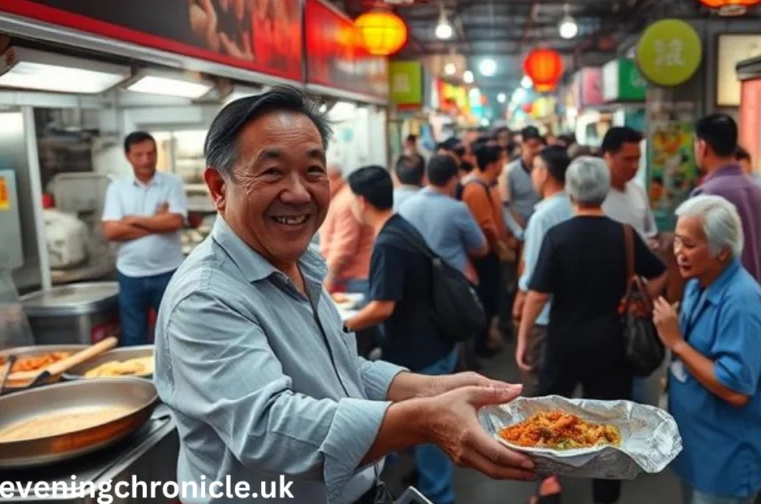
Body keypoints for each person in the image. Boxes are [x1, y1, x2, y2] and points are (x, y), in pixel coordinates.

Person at [154, 87, 534, 504]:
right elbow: (268, 428)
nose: (299, 193)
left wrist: (432, 388)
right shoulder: (205, 297)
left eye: (313, 171)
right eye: (272, 172)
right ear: (218, 187)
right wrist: (424, 420)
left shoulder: (297, 264)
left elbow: (338, 368)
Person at [517, 156, 667, 504]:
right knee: (607, 424)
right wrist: (642, 301)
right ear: (603, 191)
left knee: (550, 414)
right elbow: (659, 273)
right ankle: (604, 497)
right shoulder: (625, 235)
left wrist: (524, 337)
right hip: (611, 346)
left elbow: (538, 295)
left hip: (563, 343)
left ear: (570, 191)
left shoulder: (557, 236)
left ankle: (549, 483)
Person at [652, 195, 761, 504]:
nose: (679, 252)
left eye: (690, 245)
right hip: (701, 444)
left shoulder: (741, 303)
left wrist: (677, 343)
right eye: (678, 242)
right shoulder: (698, 282)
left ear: (722, 252)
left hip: (728, 454)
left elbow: (736, 390)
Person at [341, 166, 458, 504]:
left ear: (361, 201)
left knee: (431, 430)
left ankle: (439, 497)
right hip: (431, 341)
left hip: (419, 350)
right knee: (424, 429)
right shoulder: (401, 227)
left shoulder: (389, 242)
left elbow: (382, 307)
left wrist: (341, 325)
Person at [101, 131, 187, 347]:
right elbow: (111, 232)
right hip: (131, 274)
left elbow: (175, 222)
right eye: (139, 155)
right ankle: (137, 380)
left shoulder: (172, 183)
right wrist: (157, 222)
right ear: (128, 156)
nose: (146, 160)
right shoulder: (117, 189)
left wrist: (132, 220)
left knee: (176, 335)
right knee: (133, 337)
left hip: (168, 272)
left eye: (151, 153)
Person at [512, 145, 573, 392]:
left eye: (535, 169)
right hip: (569, 312)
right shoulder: (573, 206)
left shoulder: (542, 217)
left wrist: (522, 328)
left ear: (545, 174)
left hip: (544, 314)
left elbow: (534, 277)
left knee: (541, 388)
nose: (532, 175)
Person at [690, 114, 761, 288]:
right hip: (755, 292)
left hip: (718, 298)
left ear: (703, 147)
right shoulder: (759, 193)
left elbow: (695, 257)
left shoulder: (706, 195)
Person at [399, 155, 488, 283]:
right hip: (453, 281)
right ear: (453, 179)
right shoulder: (457, 209)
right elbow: (480, 248)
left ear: (426, 177)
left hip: (417, 279)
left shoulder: (406, 206)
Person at [463, 142, 511, 358]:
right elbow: (485, 226)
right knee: (486, 300)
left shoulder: (488, 185)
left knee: (491, 298)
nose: (504, 164)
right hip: (483, 256)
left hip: (491, 253)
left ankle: (485, 340)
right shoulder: (475, 189)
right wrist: (499, 246)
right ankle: (481, 346)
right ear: (492, 164)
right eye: (501, 160)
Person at [320, 166, 373, 295]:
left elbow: (343, 249)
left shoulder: (345, 201)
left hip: (354, 281)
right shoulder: (341, 198)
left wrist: (327, 282)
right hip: (352, 279)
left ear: (330, 179)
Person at [601, 126, 658, 243]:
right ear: (608, 156)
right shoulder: (594, 196)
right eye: (628, 159)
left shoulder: (638, 190)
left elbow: (651, 232)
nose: (635, 166)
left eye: (637, 159)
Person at [500, 125, 544, 227]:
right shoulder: (510, 171)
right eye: (531, 146)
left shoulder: (546, 169)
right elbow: (506, 205)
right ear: (522, 145)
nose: (535, 150)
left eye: (538, 145)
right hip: (522, 226)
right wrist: (518, 232)